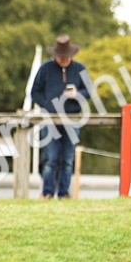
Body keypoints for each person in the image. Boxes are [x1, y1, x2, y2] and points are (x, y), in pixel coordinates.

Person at [30, 35, 92, 200]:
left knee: (67, 159)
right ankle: (47, 192)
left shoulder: (80, 68)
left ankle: (64, 193)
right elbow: (35, 92)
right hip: (50, 119)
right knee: (50, 158)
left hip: (72, 119)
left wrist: (77, 94)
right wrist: (47, 105)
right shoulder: (45, 68)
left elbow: (89, 91)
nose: (64, 59)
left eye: (66, 57)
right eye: (61, 57)